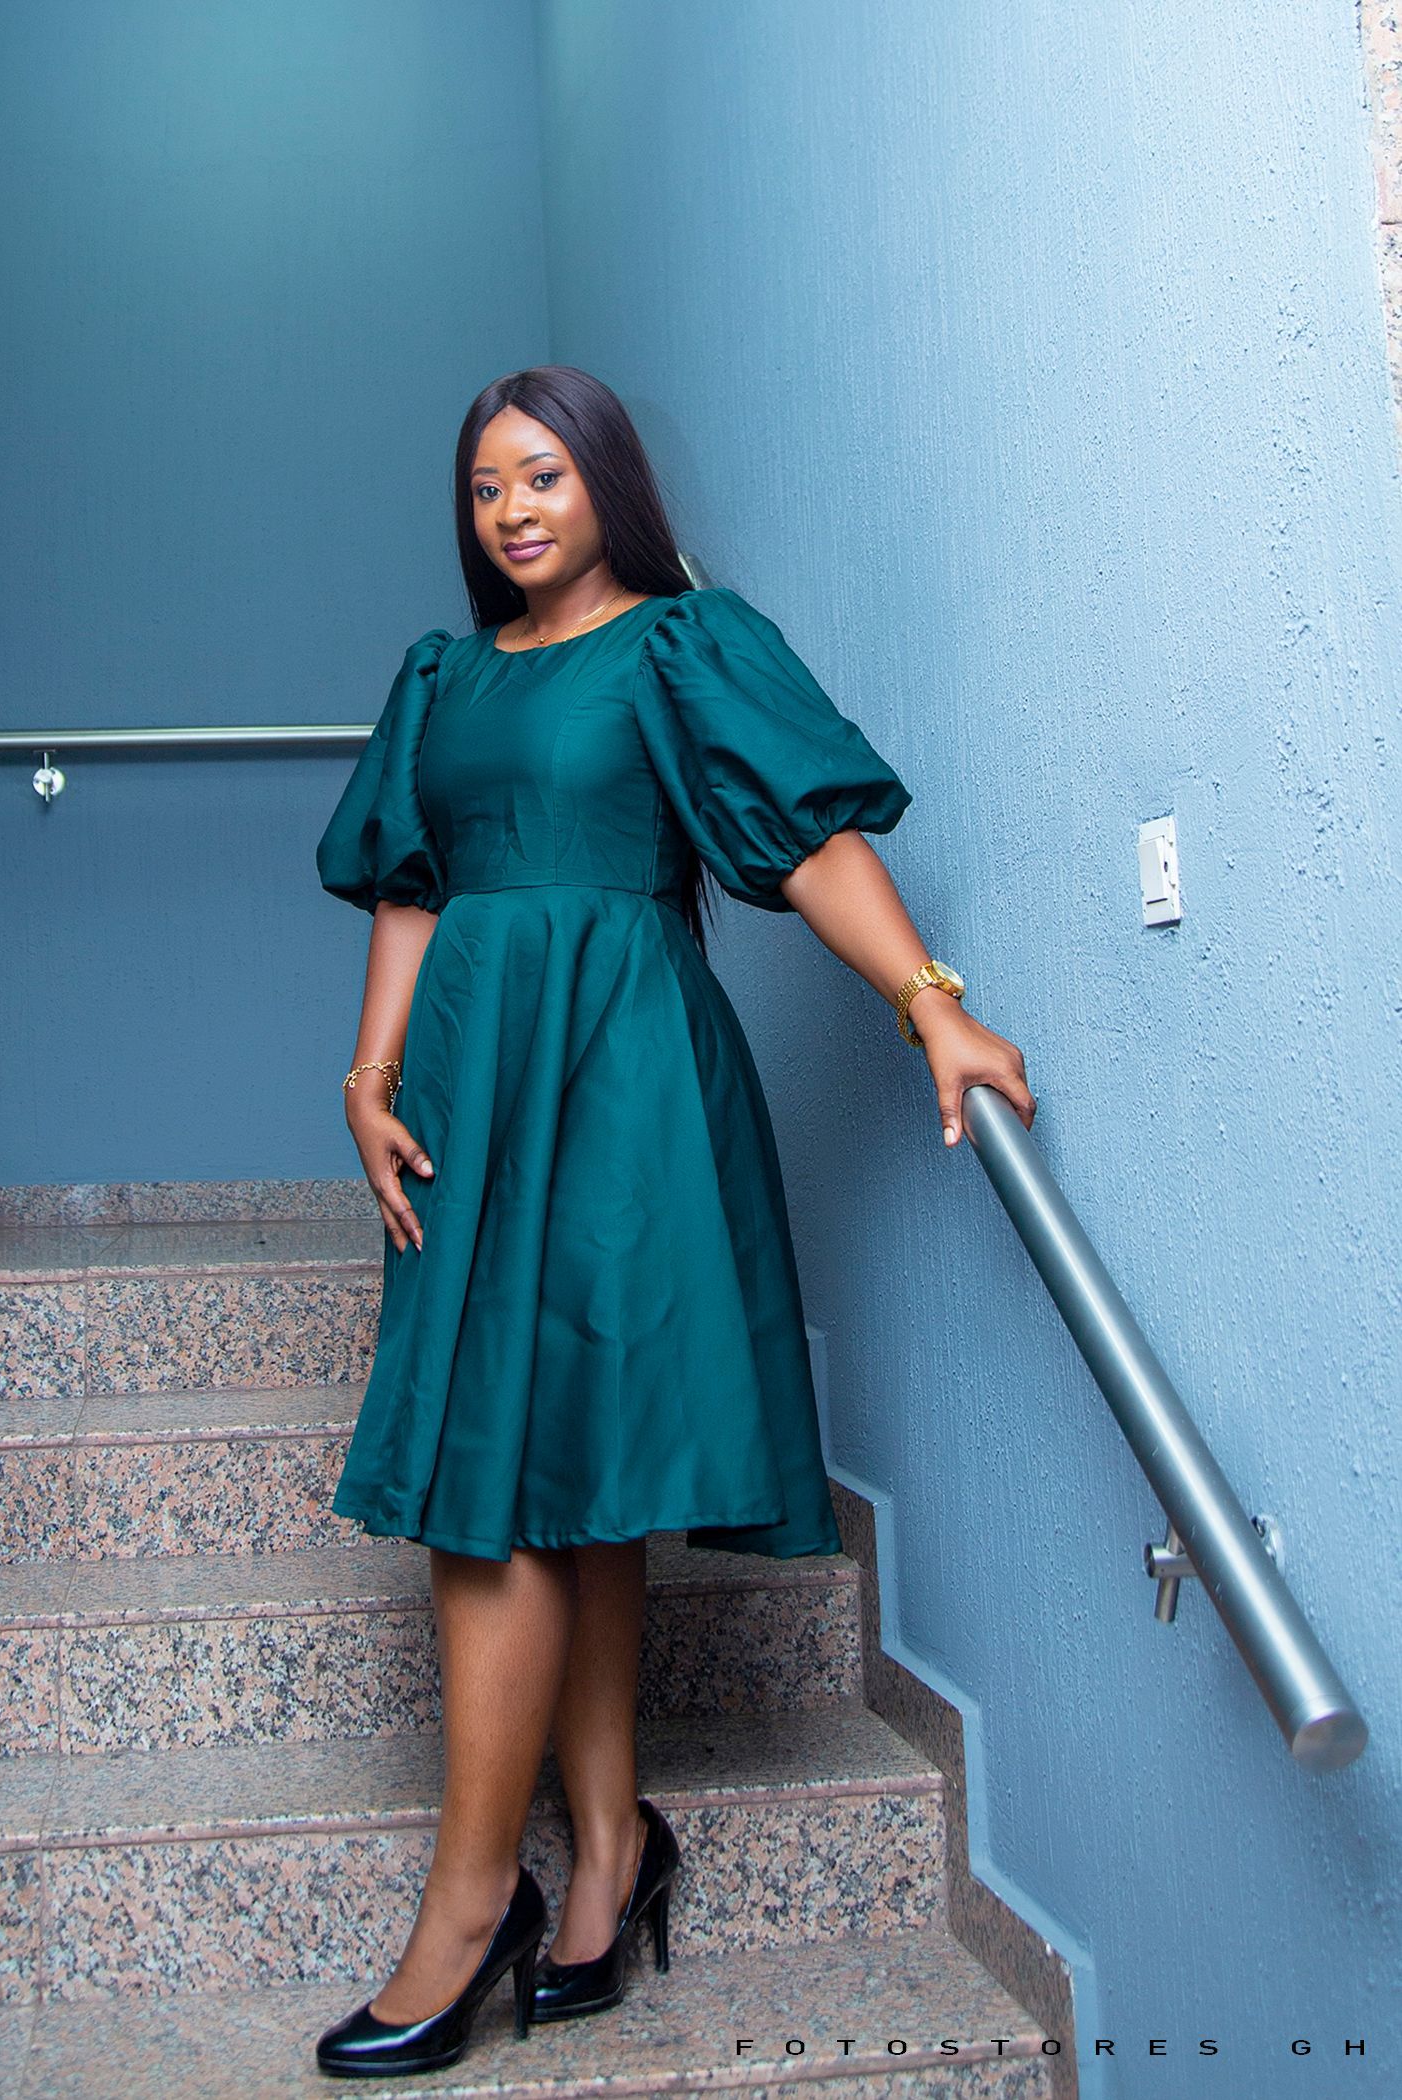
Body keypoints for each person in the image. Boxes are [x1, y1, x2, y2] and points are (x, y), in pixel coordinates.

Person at [310, 365, 1035, 2079]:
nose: (513, 510)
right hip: (472, 1083)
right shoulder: (443, 677)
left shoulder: (681, 648)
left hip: (629, 1077)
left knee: (572, 1466)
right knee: (514, 1472)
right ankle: (603, 1860)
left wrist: (934, 1002)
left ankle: (484, 1899)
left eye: (543, 475)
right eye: (486, 486)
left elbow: (804, 846)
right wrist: (367, 1072)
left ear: (605, 484)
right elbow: (414, 881)